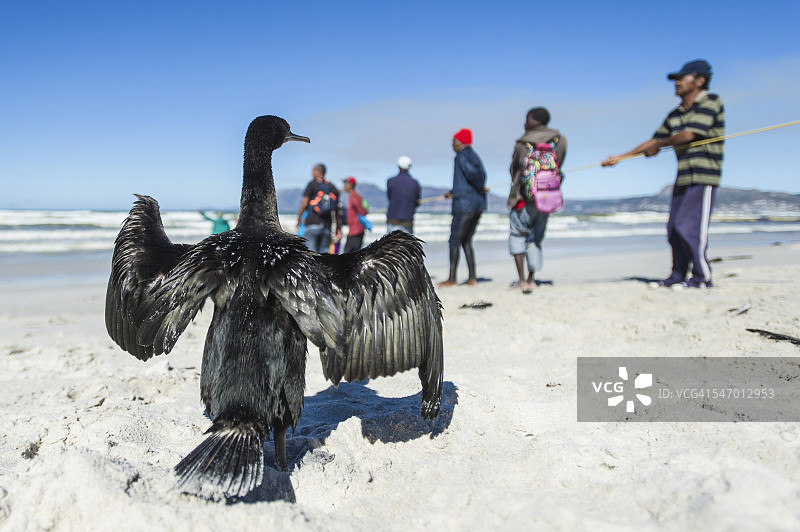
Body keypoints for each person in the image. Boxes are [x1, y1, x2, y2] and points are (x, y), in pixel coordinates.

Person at [602, 59, 724, 289]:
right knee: (674, 229)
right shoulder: (675, 113)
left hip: (704, 176)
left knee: (690, 227)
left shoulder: (710, 101)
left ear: (700, 80)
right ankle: (677, 275)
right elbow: (654, 140)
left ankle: (701, 277)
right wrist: (621, 157)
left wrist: (659, 146)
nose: (676, 82)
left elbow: (689, 134)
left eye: (681, 78)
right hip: (684, 177)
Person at [507, 107, 567, 291]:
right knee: (535, 239)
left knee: (518, 235)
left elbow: (514, 168)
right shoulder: (559, 140)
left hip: (522, 198)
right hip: (547, 198)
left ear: (537, 121)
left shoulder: (522, 143)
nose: (524, 123)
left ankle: (521, 279)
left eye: (527, 119)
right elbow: (559, 163)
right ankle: (532, 279)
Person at [439, 128, 487, 287]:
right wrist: (453, 191)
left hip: (465, 205)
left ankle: (452, 279)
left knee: (454, 241)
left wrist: (478, 186)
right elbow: (476, 177)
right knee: (466, 241)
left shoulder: (461, 156)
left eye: (454, 141)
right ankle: (472, 277)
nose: (452, 144)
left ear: (461, 142)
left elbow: (474, 175)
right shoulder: (474, 155)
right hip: (477, 204)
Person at [296, 164, 342, 253]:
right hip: (327, 225)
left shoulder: (312, 184)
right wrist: (338, 227)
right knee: (324, 256)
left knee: (311, 255)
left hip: (312, 224)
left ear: (317, 171)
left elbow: (304, 203)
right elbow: (336, 209)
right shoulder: (332, 187)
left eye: (313, 171)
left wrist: (299, 219)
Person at [386, 155, 421, 234]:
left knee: (391, 245)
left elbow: (389, 197)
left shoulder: (390, 181)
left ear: (398, 166)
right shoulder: (415, 183)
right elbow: (417, 202)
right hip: (407, 220)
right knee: (407, 245)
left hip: (392, 219)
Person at [342, 176, 369, 253]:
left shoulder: (355, 196)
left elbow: (363, 211)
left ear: (351, 184)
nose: (344, 185)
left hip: (356, 231)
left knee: (350, 255)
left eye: (345, 183)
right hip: (353, 230)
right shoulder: (352, 196)